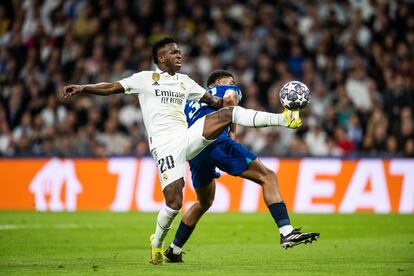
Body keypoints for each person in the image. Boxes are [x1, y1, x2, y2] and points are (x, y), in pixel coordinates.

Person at [62, 37, 302, 265]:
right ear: (161, 57)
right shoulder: (145, 79)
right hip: (164, 145)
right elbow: (112, 86)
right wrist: (84, 87)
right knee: (174, 202)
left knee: (226, 115)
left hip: (188, 137)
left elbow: (216, 102)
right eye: (173, 51)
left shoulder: (185, 81)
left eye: (179, 51)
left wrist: (227, 111)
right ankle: (157, 242)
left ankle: (284, 119)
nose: (179, 54)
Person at [163, 70, 320, 262]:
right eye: (231, 81)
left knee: (203, 202)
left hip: (194, 152)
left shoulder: (190, 101)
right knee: (268, 177)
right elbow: (229, 100)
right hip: (217, 143)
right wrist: (231, 133)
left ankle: (174, 249)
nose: (234, 84)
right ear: (217, 82)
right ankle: (286, 232)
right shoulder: (225, 89)